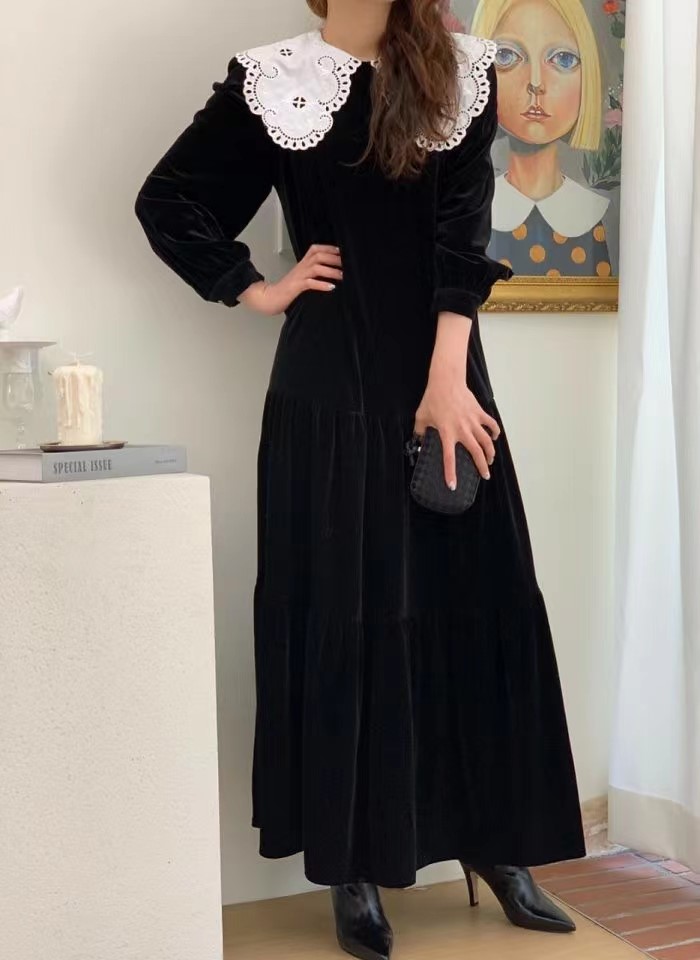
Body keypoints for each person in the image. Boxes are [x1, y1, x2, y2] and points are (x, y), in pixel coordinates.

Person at [134, 2, 587, 958]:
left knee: (476, 596)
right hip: (327, 389)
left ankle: (495, 844)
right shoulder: (273, 79)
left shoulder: (462, 68)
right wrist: (253, 285)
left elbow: (463, 238)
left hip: (445, 380)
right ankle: (353, 865)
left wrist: (446, 381)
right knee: (345, 605)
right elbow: (168, 199)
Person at [470, 0, 614, 277]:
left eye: (563, 59)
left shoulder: (595, 213)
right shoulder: (472, 208)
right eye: (506, 56)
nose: (535, 82)